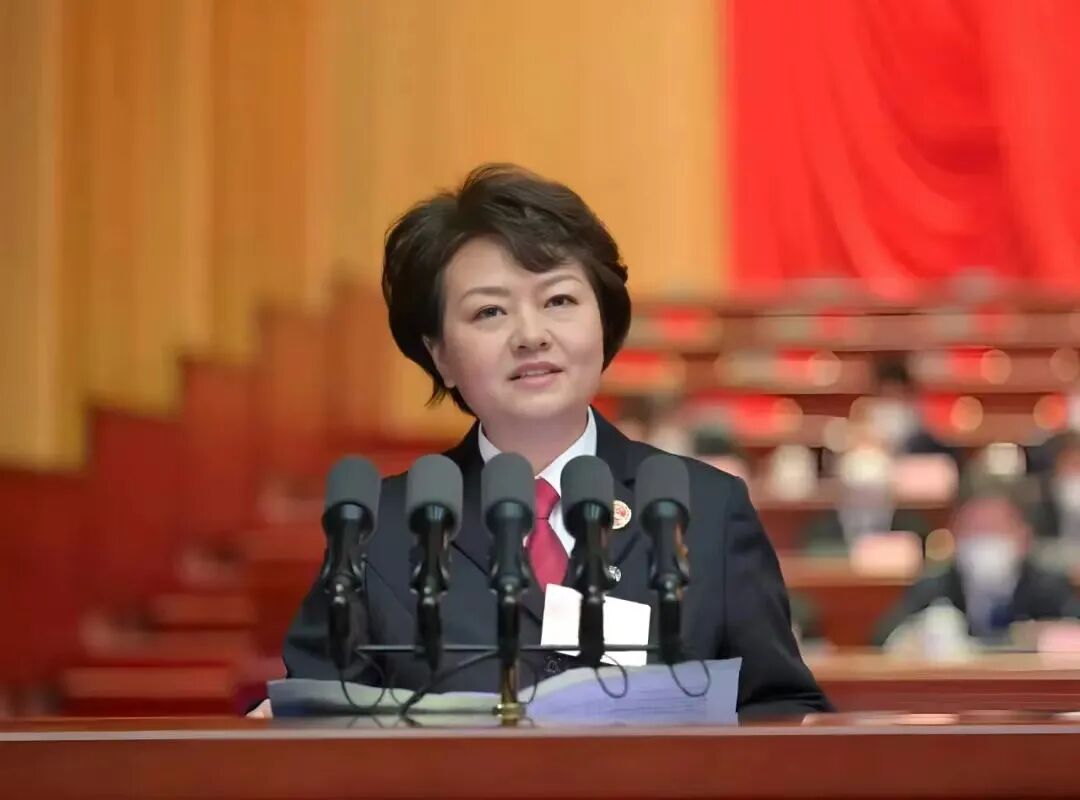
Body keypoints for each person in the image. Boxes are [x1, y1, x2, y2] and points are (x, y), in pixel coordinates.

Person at [276, 165, 829, 719]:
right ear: (440, 354)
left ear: (603, 319)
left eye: (558, 300)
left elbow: (781, 708)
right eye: (489, 311)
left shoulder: (705, 508)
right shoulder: (380, 528)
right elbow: (319, 717)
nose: (531, 335)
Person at [872, 477, 1080, 646]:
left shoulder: (1049, 587)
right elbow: (882, 640)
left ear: (1024, 537)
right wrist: (915, 636)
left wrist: (1049, 635)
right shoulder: (934, 587)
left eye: (995, 528)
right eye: (974, 529)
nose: (984, 539)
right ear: (954, 536)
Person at [866, 356, 958, 464]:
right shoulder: (872, 412)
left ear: (904, 388)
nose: (892, 393)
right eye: (888, 389)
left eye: (896, 389)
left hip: (911, 459)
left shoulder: (914, 411)